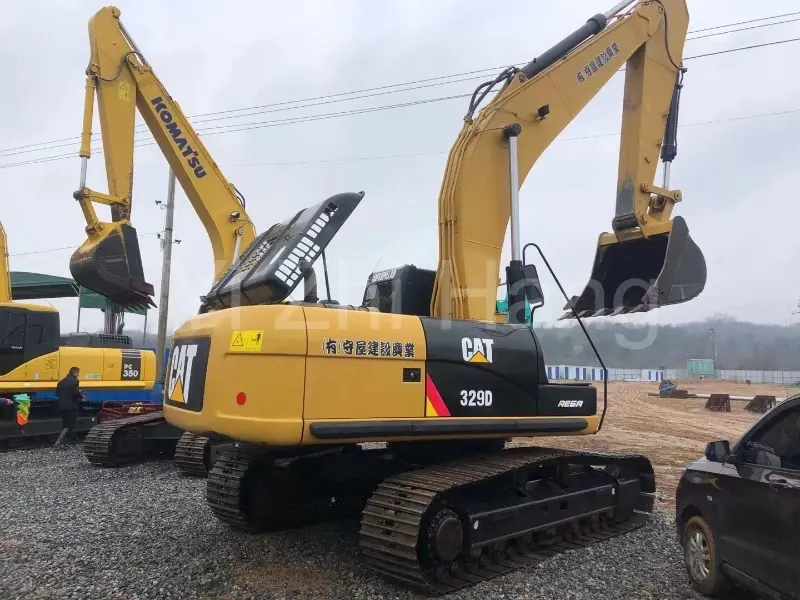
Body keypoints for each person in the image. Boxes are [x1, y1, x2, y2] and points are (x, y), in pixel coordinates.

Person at [54, 367, 84, 446]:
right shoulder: (75, 381)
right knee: (70, 425)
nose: (78, 375)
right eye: (78, 373)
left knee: (65, 425)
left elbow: (57, 394)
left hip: (62, 406)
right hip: (71, 406)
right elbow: (75, 393)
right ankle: (58, 442)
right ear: (74, 373)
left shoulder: (61, 382)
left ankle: (63, 443)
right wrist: (81, 396)